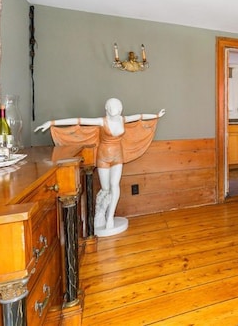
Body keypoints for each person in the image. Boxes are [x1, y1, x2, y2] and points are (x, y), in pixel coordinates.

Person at [35, 98, 165, 236]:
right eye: (114, 108)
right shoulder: (101, 121)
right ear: (107, 109)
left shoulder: (122, 119)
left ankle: (110, 217)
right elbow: (79, 121)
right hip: (103, 157)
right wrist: (52, 123)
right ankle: (100, 213)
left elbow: (140, 117)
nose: (117, 111)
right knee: (106, 189)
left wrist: (156, 116)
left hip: (118, 156)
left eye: (119, 108)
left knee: (115, 185)